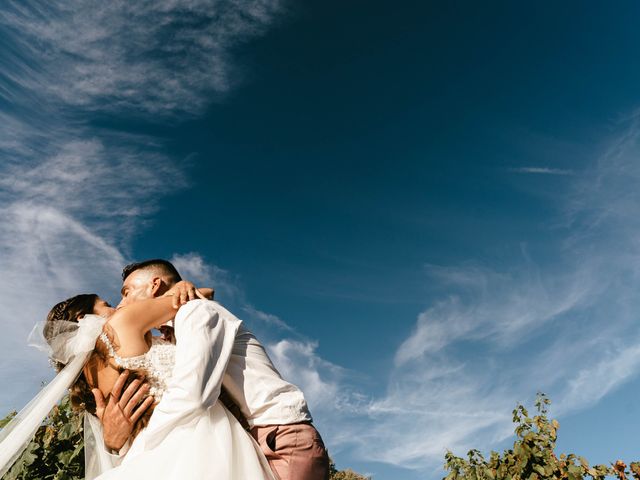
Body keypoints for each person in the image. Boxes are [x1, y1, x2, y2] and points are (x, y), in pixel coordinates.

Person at [0, 288, 276, 479]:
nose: (117, 307)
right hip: (196, 435)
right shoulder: (121, 324)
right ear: (84, 319)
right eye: (106, 304)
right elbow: (202, 295)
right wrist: (180, 286)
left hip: (146, 453)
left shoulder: (87, 377)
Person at [98, 259, 330, 480]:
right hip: (255, 443)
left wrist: (141, 451)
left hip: (280, 440)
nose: (120, 304)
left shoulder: (197, 312)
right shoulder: (174, 330)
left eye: (127, 292)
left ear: (155, 284)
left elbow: (194, 395)